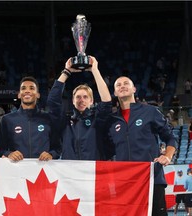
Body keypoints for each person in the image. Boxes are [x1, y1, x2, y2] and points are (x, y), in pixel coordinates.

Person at [104, 76, 176, 216]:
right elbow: (107, 151)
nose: (122, 86)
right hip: (125, 183)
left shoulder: (150, 112)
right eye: (118, 85)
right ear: (115, 92)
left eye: (126, 83)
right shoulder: (112, 121)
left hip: (152, 180)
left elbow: (170, 137)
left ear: (134, 89)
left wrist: (167, 155)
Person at [46, 56, 112, 160]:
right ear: (73, 101)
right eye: (78, 97)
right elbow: (52, 102)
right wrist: (66, 71)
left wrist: (95, 70)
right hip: (70, 172)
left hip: (93, 173)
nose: (81, 100)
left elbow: (107, 102)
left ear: (91, 101)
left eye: (85, 97)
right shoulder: (65, 121)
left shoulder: (98, 120)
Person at [0, 76, 61, 162]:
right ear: (19, 94)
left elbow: (57, 148)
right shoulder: (7, 120)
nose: (27, 91)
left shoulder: (48, 118)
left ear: (38, 95)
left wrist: (51, 154)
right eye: (23, 88)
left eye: (31, 88)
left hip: (43, 171)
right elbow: (0, 149)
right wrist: (9, 154)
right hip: (18, 171)